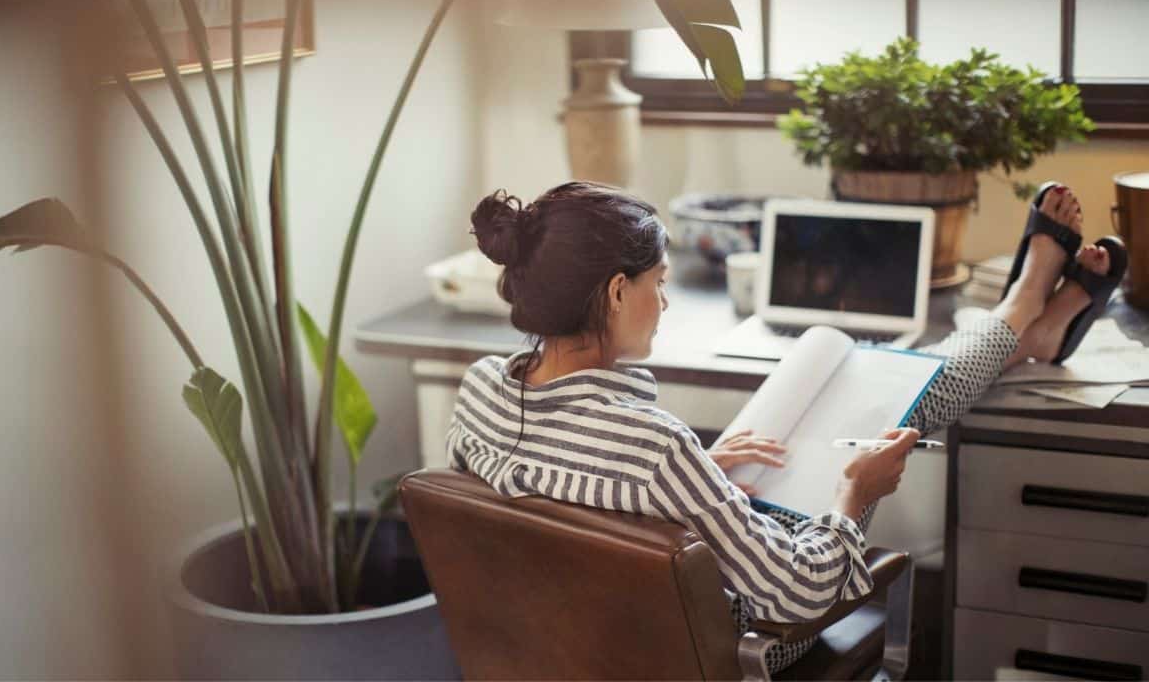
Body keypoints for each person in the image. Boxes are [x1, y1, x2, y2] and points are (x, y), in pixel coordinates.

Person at [446, 180, 1114, 673]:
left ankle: (1029, 326)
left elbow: (563, 509)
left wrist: (701, 473)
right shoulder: (654, 451)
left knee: (880, 400)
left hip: (559, 650)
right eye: (660, 281)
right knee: (897, 408)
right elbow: (794, 595)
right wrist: (855, 495)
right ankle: (1027, 310)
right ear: (617, 292)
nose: (667, 300)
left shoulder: (479, 389)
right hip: (721, 649)